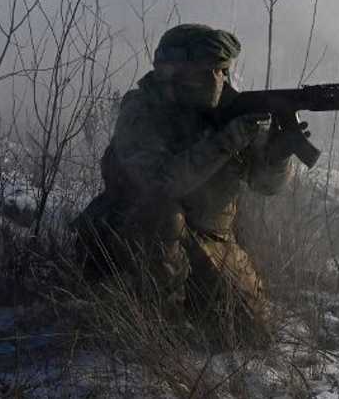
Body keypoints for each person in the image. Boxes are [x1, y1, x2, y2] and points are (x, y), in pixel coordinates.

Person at [72, 24, 296, 347]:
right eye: (210, 71)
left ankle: (192, 312)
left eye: (223, 70)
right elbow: (162, 182)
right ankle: (156, 333)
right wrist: (226, 140)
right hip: (133, 238)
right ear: (173, 72)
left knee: (253, 334)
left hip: (209, 240)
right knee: (163, 213)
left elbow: (264, 185)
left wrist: (278, 155)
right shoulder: (141, 110)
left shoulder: (230, 110)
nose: (219, 80)